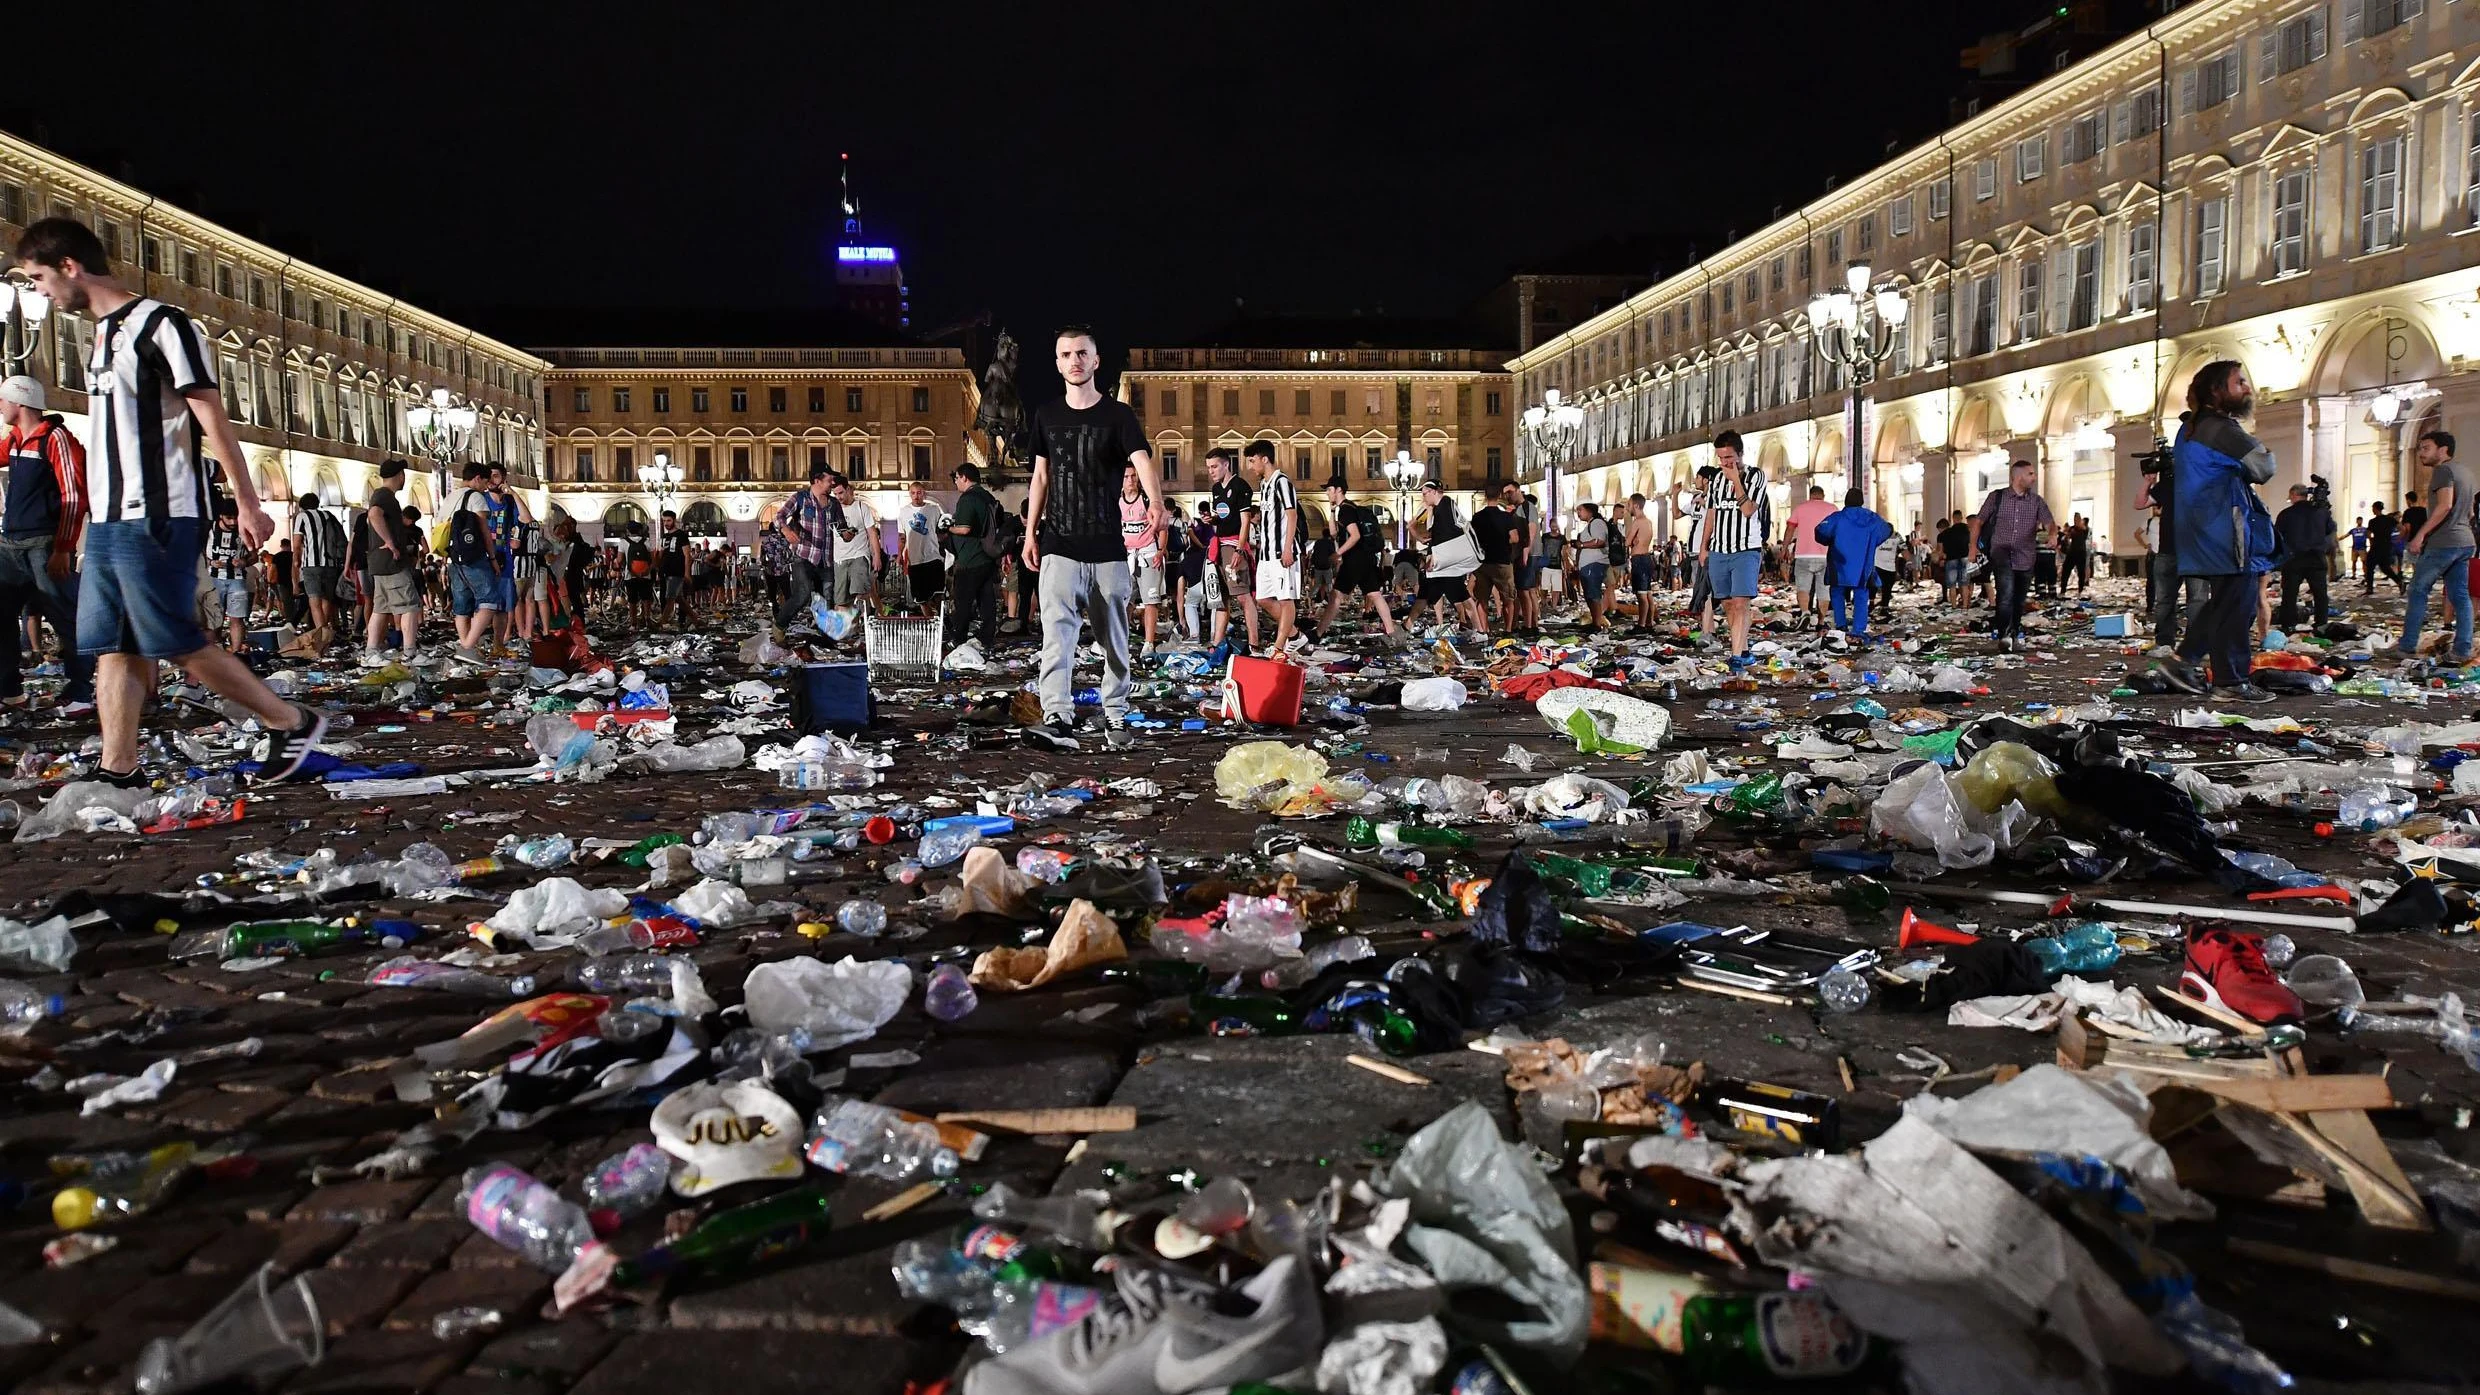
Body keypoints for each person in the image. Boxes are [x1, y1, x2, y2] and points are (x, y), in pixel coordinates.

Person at [12, 217, 323, 782]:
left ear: (69, 266)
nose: (37, 291)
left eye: (37, 277)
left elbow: (208, 410)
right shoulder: (101, 338)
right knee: (113, 646)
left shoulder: (162, 324)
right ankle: (119, 767)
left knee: (173, 641)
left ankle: (289, 720)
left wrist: (248, 501)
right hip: (108, 521)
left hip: (158, 512)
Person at [1022, 325, 1159, 750]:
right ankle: (1058, 715)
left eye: (1082, 353)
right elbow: (1040, 475)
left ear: (1096, 361)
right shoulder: (1046, 415)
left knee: (1114, 639)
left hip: (1107, 548)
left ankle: (1115, 715)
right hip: (1059, 545)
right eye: (1066, 354)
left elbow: (1142, 459)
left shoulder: (1117, 415)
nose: (1074, 360)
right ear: (1058, 363)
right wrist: (1030, 532)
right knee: (1056, 638)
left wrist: (1157, 504)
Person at [2157, 360, 2279, 700]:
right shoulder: (2223, 429)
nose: (2247, 388)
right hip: (2224, 527)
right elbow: (2264, 467)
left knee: (2226, 602)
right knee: (2238, 604)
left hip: (2202, 528)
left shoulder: (2190, 428)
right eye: (2239, 382)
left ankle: (2189, 661)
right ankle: (2227, 680)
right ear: (2216, 390)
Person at [0, 374, 92, 717]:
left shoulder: (55, 439)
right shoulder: (15, 440)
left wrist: (62, 548)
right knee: (2, 615)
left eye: (3, 400)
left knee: (65, 617)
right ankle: (9, 691)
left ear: (19, 403)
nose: (0, 407)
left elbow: (73, 495)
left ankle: (81, 691)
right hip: (11, 542)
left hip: (43, 543)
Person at [2390, 429, 2477, 666]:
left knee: (2418, 590)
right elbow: (2469, 512)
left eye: (2426, 448)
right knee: (2460, 595)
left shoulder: (2443, 471)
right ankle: (2462, 650)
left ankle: (2407, 645)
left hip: (2444, 543)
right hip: (2465, 541)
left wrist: (2420, 535)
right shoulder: (2466, 472)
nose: (2421, 453)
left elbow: (2445, 505)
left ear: (2443, 450)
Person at [1969, 460, 2055, 653]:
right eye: (2030, 474)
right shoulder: (1996, 497)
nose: (2034, 477)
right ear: (2018, 477)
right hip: (2001, 552)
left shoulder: (2036, 501)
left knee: (2019, 598)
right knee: (2005, 594)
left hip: (2026, 555)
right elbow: (1978, 522)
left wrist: (2052, 534)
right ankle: (2005, 635)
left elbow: (2049, 522)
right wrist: (1972, 548)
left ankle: (2014, 632)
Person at [1699, 432, 1768, 666]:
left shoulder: (1756, 476)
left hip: (1746, 549)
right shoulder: (1716, 479)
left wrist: (1736, 481)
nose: (1725, 463)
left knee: (1741, 602)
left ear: (1740, 454)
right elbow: (1711, 513)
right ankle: (1744, 648)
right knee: (1727, 603)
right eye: (1721, 458)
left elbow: (1749, 510)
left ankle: (1736, 655)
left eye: (1729, 457)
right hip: (1720, 549)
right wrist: (1704, 546)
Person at [1238, 441, 1302, 654]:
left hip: (1281, 552)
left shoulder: (1282, 482)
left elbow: (1292, 515)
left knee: (1286, 599)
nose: (1250, 466)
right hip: (1266, 553)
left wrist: (1287, 548)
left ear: (1264, 459)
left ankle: (1279, 646)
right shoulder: (1265, 485)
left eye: (1252, 460)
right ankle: (1294, 635)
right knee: (1263, 598)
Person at [1318, 478, 1399, 641]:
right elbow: (1334, 533)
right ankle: (1392, 633)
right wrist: (1332, 511)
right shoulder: (1348, 508)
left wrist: (1338, 553)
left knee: (1336, 595)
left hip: (1354, 559)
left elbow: (1355, 536)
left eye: (1329, 489)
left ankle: (1318, 633)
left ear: (1338, 489)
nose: (1326, 493)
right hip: (1366, 558)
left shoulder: (1346, 510)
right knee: (1375, 594)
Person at [1814, 488, 1895, 646]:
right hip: (1863, 565)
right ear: (1861, 501)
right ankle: (1858, 630)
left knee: (1837, 594)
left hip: (1839, 563)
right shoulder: (1872, 518)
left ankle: (1841, 626)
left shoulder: (1837, 518)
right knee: (1861, 596)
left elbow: (1820, 531)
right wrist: (1871, 542)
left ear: (1846, 501)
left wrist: (1831, 541)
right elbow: (1886, 530)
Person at [361, 457, 421, 660]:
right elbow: (374, 514)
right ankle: (410, 652)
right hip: (391, 562)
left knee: (381, 608)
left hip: (379, 563)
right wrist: (391, 543)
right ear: (400, 476)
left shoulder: (382, 495)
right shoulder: (384, 496)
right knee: (410, 606)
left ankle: (371, 651)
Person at [944, 463, 1002, 656]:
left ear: (965, 478)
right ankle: (986, 638)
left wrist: (947, 528)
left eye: (957, 478)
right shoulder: (987, 496)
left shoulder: (968, 499)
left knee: (963, 600)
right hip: (987, 556)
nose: (956, 482)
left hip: (970, 558)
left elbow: (965, 528)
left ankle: (957, 638)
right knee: (987, 601)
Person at [1205, 448, 1258, 649]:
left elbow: (1245, 521)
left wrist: (1239, 549)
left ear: (1226, 464)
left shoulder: (1240, 486)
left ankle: (1254, 644)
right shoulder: (1216, 489)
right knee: (1220, 597)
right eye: (1209, 467)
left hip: (1234, 545)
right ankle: (1217, 642)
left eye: (1214, 466)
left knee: (1243, 595)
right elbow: (1226, 517)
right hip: (1218, 546)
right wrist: (1213, 519)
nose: (1211, 471)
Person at [1415, 479, 1484, 634]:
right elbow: (1433, 532)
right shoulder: (1443, 506)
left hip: (1448, 561)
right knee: (1460, 596)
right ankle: (1478, 630)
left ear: (1433, 492)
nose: (1423, 497)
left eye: (1425, 493)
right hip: (1448, 562)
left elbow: (1443, 535)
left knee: (1462, 596)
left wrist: (1434, 555)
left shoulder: (1444, 507)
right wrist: (1429, 510)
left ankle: (1478, 630)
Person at [2272, 482, 2335, 630]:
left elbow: (2277, 536)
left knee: (2290, 594)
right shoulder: (2321, 512)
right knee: (2320, 594)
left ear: (2294, 495)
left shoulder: (2286, 514)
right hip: (2316, 557)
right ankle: (2321, 623)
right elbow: (2330, 530)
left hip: (2294, 558)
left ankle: (2288, 624)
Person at [1119, 461, 1168, 655]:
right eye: (1126, 477)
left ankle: (1149, 642)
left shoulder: (1147, 499)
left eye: (1133, 476)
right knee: (1124, 601)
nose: (1130, 480)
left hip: (1147, 553)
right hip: (1127, 556)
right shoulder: (1117, 500)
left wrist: (1160, 550)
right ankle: (1121, 638)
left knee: (1151, 601)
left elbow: (1163, 528)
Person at [292, 484, 348, 644]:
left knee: (314, 601)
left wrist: (296, 561)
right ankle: (324, 631)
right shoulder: (328, 515)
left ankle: (322, 635)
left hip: (311, 565)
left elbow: (297, 544)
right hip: (330, 565)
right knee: (326, 600)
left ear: (302, 506)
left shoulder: (302, 517)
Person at [1468, 488, 1521, 635]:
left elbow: (1472, 538)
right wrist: (1504, 541)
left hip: (1483, 562)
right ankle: (1508, 629)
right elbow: (1515, 538)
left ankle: (1484, 630)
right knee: (1508, 598)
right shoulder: (1505, 517)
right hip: (1502, 561)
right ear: (1499, 496)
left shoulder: (1477, 517)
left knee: (1482, 599)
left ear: (1485, 496)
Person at [829, 476, 880, 615]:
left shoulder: (861, 507)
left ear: (848, 489)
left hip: (859, 555)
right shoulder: (832, 510)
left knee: (861, 593)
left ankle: (864, 624)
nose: (838, 497)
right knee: (841, 600)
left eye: (841, 493)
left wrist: (876, 556)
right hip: (839, 558)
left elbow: (872, 533)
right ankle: (849, 631)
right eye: (835, 494)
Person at [1785, 484, 1833, 629]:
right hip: (1825, 555)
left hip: (1803, 555)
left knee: (1803, 588)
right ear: (1823, 495)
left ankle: (1805, 612)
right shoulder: (1832, 509)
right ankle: (1821, 621)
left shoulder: (1801, 508)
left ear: (1810, 496)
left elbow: (1790, 528)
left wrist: (1785, 547)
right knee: (1824, 590)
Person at [896, 479, 947, 610]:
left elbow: (941, 531)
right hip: (915, 559)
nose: (916, 496)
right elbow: (902, 536)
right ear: (910, 494)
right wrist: (899, 554)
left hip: (933, 556)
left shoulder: (934, 509)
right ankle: (930, 622)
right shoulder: (904, 512)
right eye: (913, 493)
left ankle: (940, 619)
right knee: (920, 598)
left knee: (937, 593)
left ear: (923, 493)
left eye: (919, 493)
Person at [1567, 501, 1613, 632]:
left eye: (1580, 510)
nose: (1578, 513)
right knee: (1589, 594)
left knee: (1593, 594)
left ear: (1589, 510)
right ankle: (1595, 621)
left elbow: (1600, 541)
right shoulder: (1590, 525)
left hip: (1594, 563)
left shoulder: (1597, 523)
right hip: (1587, 565)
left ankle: (1597, 623)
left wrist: (1581, 545)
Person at [655, 508, 691, 629]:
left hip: (677, 571)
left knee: (670, 597)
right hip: (665, 570)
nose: (666, 523)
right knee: (677, 598)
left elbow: (687, 554)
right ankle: (696, 619)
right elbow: (660, 553)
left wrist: (687, 572)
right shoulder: (664, 536)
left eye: (668, 520)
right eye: (664, 521)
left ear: (674, 520)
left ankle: (663, 621)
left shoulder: (681, 535)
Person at [2364, 500, 2404, 592]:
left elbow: (2368, 533)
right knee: (2385, 567)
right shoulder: (2389, 519)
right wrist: (2397, 539)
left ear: (2375, 508)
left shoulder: (2373, 521)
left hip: (2376, 546)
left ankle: (2369, 588)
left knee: (2370, 566)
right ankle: (2399, 582)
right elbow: (2402, 529)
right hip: (2387, 546)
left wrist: (2371, 540)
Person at [1936, 511, 1972, 608]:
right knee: (1964, 584)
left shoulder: (1946, 532)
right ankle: (1965, 607)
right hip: (1965, 558)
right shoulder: (1967, 529)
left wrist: (1941, 558)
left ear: (1953, 518)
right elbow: (1971, 544)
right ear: (1961, 518)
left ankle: (1953, 606)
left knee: (1952, 586)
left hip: (1951, 559)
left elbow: (1941, 550)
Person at [2061, 515, 2092, 594]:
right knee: (2066, 571)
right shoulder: (2072, 528)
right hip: (2072, 552)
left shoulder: (2084, 529)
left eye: (2078, 519)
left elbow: (2084, 529)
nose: (2076, 521)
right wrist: (2066, 541)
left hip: (2081, 552)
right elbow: (2067, 537)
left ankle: (2080, 590)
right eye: (2075, 519)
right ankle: (2063, 589)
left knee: (2081, 572)